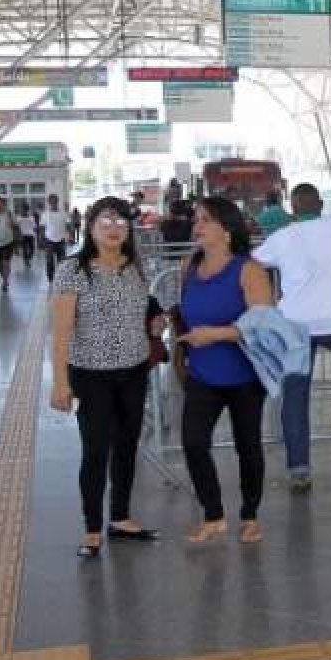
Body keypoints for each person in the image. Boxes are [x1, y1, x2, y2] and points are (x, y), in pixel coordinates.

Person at [49, 197, 161, 558]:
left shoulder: (135, 268)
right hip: (91, 374)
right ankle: (93, 527)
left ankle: (121, 516)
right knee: (96, 449)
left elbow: (144, 312)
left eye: (122, 223)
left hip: (133, 369)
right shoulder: (73, 270)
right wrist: (60, 382)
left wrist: (155, 324)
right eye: (106, 221)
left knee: (127, 446)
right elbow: (62, 331)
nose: (114, 229)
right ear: (91, 226)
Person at [252, 183, 331, 493]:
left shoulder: (282, 237)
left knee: (295, 398)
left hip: (294, 326)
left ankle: (299, 470)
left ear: (293, 208)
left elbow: (254, 261)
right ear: (320, 204)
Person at [174, 197, 275, 544]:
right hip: (202, 374)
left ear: (227, 229)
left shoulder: (249, 270)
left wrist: (215, 334)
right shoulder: (188, 266)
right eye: (196, 220)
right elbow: (185, 310)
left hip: (245, 376)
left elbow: (264, 323)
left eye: (206, 220)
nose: (197, 226)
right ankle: (213, 514)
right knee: (193, 442)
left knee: (247, 446)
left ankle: (250, 514)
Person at [42, 194, 69, 283]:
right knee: (49, 261)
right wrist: (41, 240)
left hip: (61, 240)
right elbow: (42, 227)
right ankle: (51, 278)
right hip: (49, 240)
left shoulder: (63, 213)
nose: (53, 203)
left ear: (57, 201)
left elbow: (68, 225)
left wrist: (71, 235)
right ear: (49, 202)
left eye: (55, 201)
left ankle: (61, 277)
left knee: (62, 261)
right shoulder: (45, 214)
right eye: (51, 201)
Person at [17, 203, 37, 271]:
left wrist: (35, 233)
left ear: (27, 210)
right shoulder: (18, 218)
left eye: (25, 209)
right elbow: (17, 228)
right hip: (22, 235)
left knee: (32, 249)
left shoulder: (31, 217)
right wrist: (17, 236)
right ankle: (26, 261)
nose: (23, 211)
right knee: (24, 249)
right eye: (22, 209)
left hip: (31, 235)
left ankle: (28, 258)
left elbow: (34, 227)